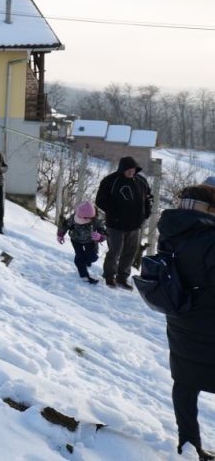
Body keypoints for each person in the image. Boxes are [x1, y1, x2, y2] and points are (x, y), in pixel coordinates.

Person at [157, 184, 215, 459]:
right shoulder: (210, 238)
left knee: (185, 381)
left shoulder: (171, 230)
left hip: (180, 315)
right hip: (209, 322)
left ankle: (189, 444)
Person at [95, 156, 154, 290]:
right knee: (115, 251)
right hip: (115, 225)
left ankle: (122, 278)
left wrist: (147, 211)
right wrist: (114, 212)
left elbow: (149, 197)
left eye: (133, 169)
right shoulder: (110, 181)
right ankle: (109, 276)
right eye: (128, 170)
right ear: (122, 169)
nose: (131, 172)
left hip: (135, 225)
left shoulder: (141, 181)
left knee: (130, 252)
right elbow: (100, 200)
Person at [56, 201, 106, 283]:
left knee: (93, 257)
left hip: (90, 241)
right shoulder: (74, 217)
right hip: (76, 240)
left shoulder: (96, 221)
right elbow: (64, 225)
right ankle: (84, 275)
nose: (80, 220)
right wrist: (60, 235)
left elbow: (104, 232)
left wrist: (100, 236)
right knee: (79, 257)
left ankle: (86, 261)